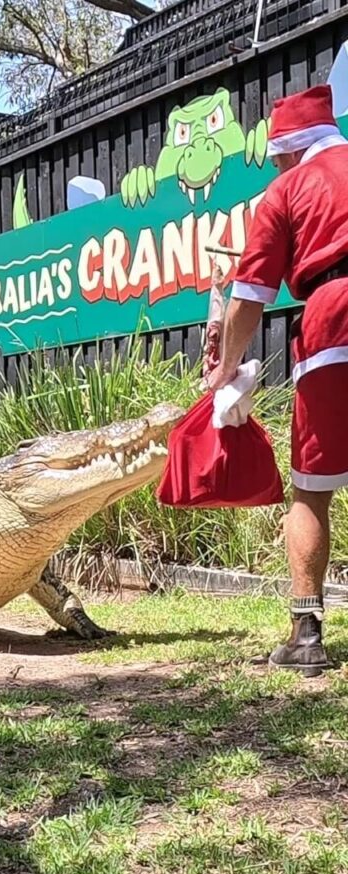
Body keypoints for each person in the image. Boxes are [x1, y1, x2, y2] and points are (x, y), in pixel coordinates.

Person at [207, 84, 348, 676]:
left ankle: (306, 632)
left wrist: (222, 369)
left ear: (289, 151)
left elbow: (249, 298)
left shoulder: (286, 190)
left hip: (333, 317)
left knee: (312, 485)